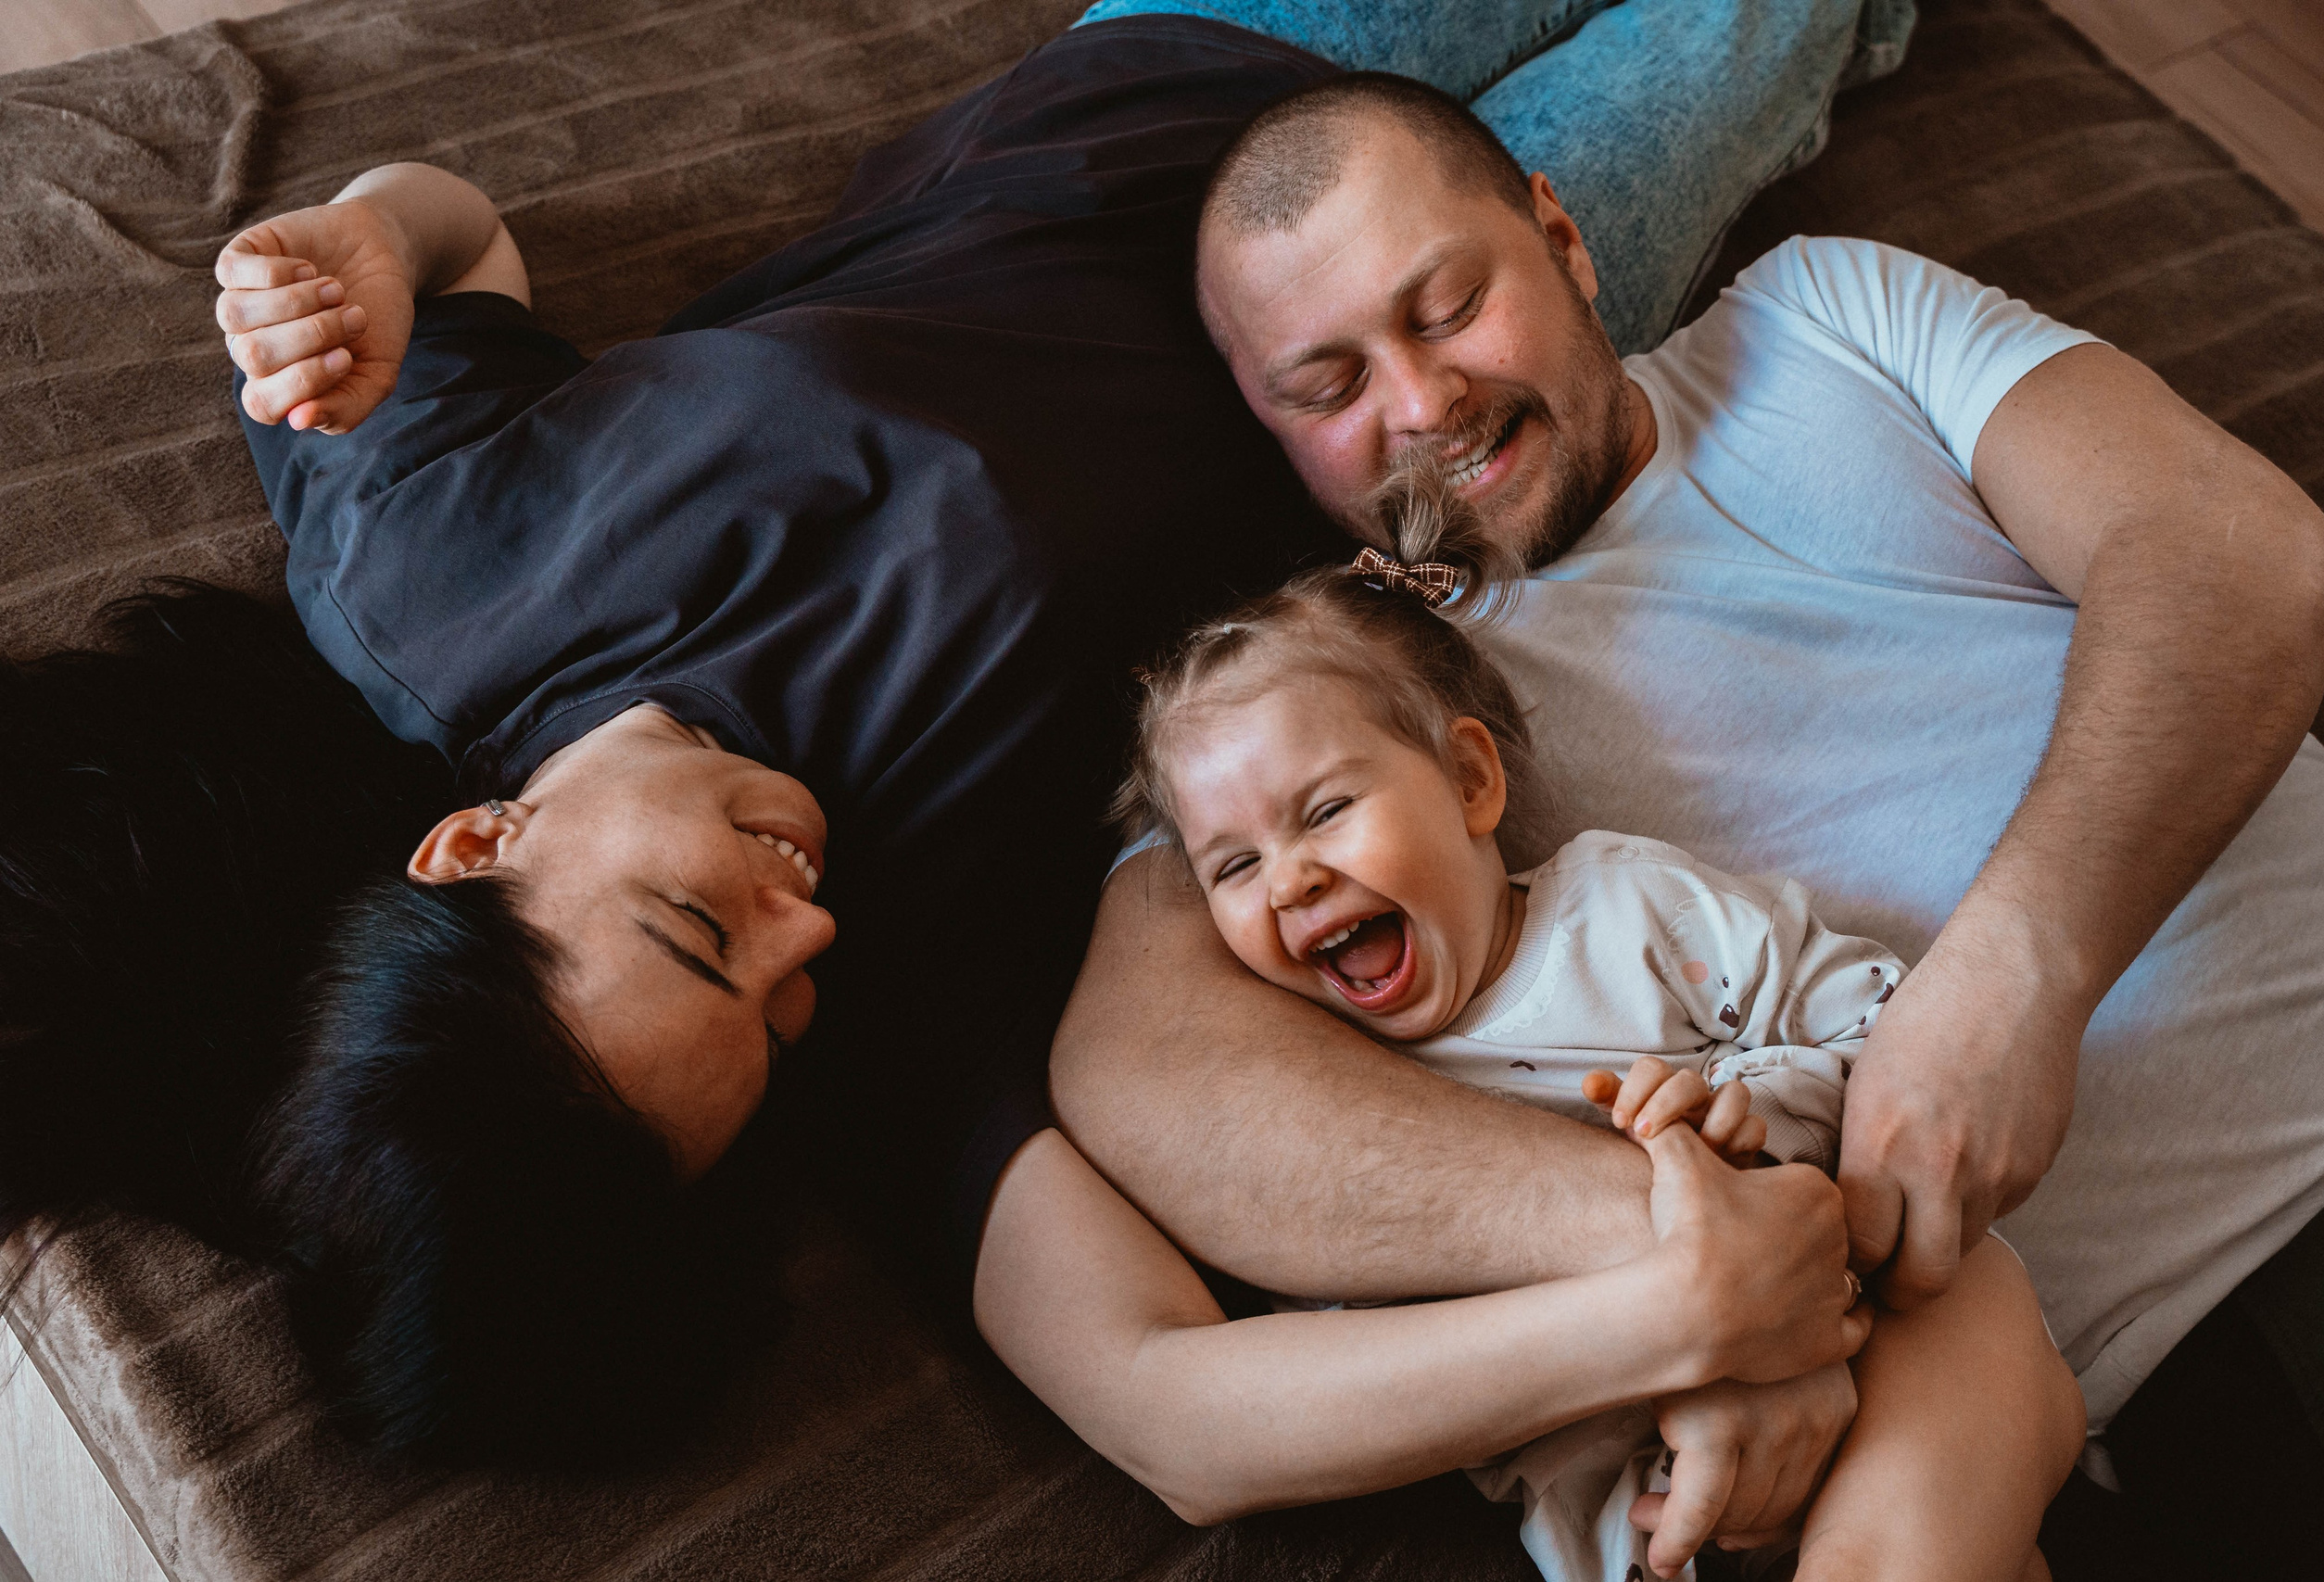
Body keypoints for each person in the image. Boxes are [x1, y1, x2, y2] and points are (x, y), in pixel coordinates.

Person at [127, 0, 1904, 1481]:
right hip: (1410, 392)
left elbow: (464, 247)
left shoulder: (419, 572)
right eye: (779, 1005)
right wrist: (1672, 1303)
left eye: (699, 934)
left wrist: (368, 234)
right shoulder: (903, 1001)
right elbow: (1173, 1416)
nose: (803, 925)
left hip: (1181, 67)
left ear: (474, 846)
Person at [1027, 45, 2324, 1566]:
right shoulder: (1321, 702)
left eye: (1450, 305)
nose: (1420, 402)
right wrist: (1691, 1261)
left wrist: (2018, 971)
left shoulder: (1825, 315)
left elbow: (2248, 553)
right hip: (2179, 1356)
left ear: (1564, 235)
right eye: (1326, 388)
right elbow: (1147, 1067)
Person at [1099, 560, 2081, 1580]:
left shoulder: (1628, 913)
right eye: (1234, 867)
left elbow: (1888, 1034)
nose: (1292, 880)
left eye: (1325, 810)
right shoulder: (1314, 1093)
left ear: (1471, 782)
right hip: (1657, 1511)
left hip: (1875, 1345)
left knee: (1969, 1306)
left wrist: (1754, 1106)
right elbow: (1376, 1358)